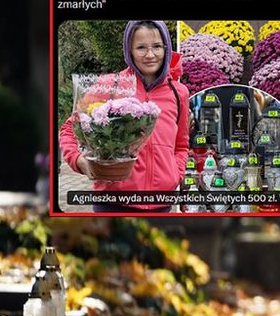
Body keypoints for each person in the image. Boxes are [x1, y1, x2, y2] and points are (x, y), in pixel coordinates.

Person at [59, 20, 189, 213]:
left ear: (166, 48)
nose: (150, 55)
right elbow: (69, 129)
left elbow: (181, 145)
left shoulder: (179, 93)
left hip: (161, 204)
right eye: (141, 48)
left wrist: (174, 174)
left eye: (157, 47)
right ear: (129, 51)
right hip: (112, 203)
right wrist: (80, 161)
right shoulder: (110, 86)